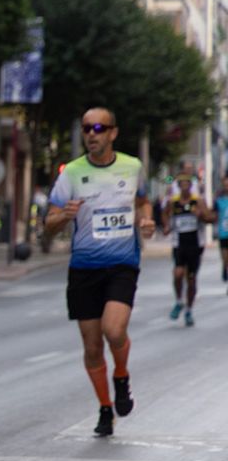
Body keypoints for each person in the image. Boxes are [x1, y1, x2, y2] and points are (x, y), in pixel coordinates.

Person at [44, 107, 154, 437]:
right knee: (92, 347)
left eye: (98, 128)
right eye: (86, 129)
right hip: (84, 268)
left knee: (114, 329)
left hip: (122, 264)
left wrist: (146, 219)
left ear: (113, 133)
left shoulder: (132, 167)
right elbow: (48, 225)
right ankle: (105, 408)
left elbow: (143, 202)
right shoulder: (72, 173)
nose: (91, 134)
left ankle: (121, 375)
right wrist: (64, 215)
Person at [163, 169, 208, 326]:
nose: (184, 186)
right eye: (181, 183)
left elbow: (209, 217)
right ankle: (179, 301)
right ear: (178, 186)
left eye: (187, 183)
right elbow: (165, 214)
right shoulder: (173, 202)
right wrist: (166, 226)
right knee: (177, 273)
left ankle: (189, 309)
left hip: (195, 244)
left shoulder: (198, 201)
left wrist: (201, 215)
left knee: (191, 278)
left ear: (190, 185)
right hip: (179, 243)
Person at [216, 173, 228, 285]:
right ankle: (225, 267)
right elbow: (213, 215)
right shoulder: (219, 200)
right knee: (225, 258)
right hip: (224, 233)